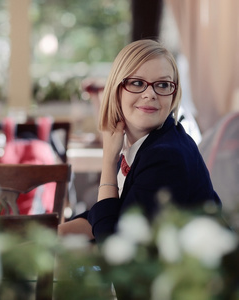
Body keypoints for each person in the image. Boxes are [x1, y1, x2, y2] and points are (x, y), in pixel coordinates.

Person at [58, 39, 221, 242]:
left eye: (162, 84)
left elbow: (114, 246)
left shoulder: (166, 156)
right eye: (137, 83)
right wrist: (53, 233)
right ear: (116, 90)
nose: (150, 94)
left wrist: (108, 161)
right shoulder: (144, 143)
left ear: (173, 94)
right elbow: (105, 215)